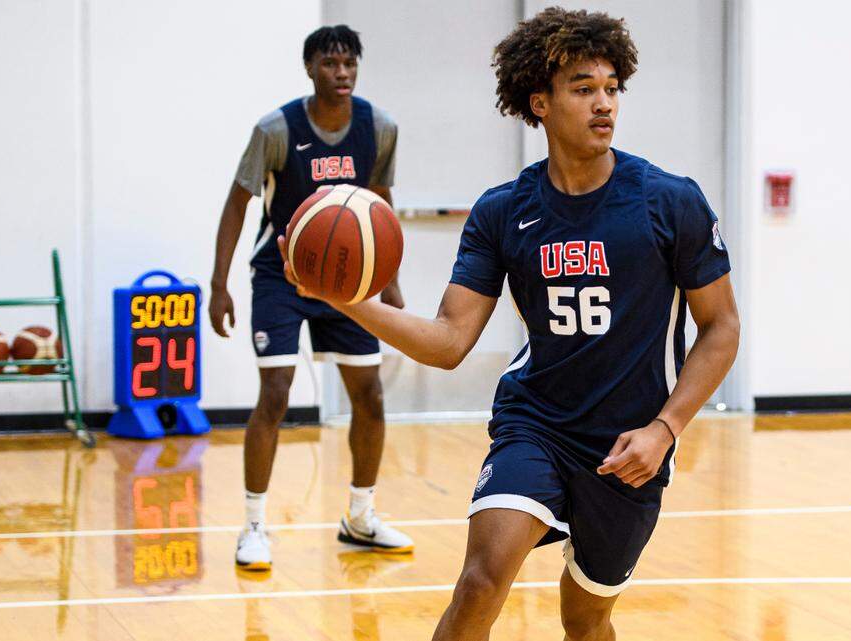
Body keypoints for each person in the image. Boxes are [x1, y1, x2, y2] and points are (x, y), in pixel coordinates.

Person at [279, 8, 740, 639]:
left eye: (611, 88)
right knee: (480, 581)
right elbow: (447, 343)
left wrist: (665, 428)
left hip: (628, 443)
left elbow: (721, 327)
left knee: (585, 619)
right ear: (540, 104)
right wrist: (343, 300)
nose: (603, 103)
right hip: (537, 423)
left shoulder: (669, 201)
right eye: (583, 89)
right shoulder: (504, 212)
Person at [209, 24, 412, 571]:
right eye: (330, 64)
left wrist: (389, 280)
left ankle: (361, 517)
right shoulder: (276, 129)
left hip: (347, 279)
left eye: (349, 64)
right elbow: (237, 204)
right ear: (310, 69)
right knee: (275, 392)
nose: (341, 73)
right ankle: (253, 525)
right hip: (281, 274)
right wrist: (219, 284)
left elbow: (379, 205)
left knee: (368, 394)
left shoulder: (379, 127)